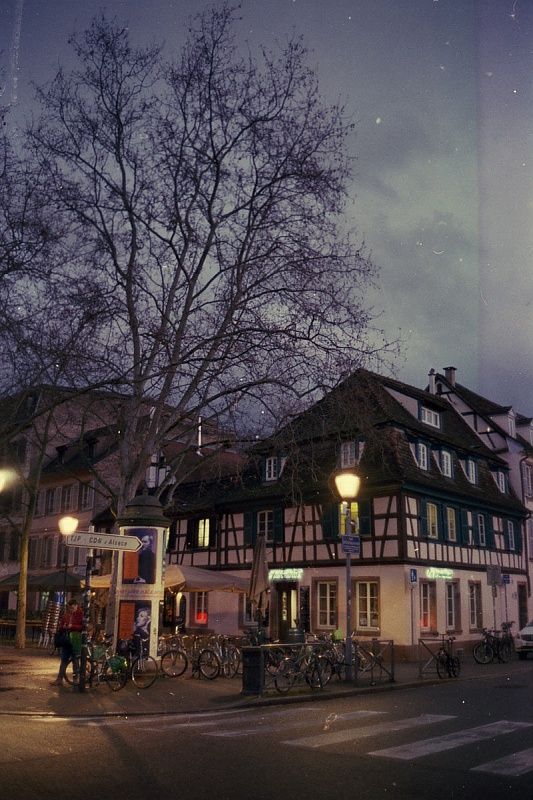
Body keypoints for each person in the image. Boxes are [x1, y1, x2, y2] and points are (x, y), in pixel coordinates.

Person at [50, 598, 83, 686]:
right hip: (66, 639)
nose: (71, 610)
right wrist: (64, 626)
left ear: (76, 606)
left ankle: (75, 679)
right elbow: (60, 626)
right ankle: (59, 678)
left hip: (75, 639)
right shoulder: (66, 614)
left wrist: (73, 626)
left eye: (72, 608)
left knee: (75, 660)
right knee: (64, 659)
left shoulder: (80, 614)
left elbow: (82, 627)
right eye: (69, 608)